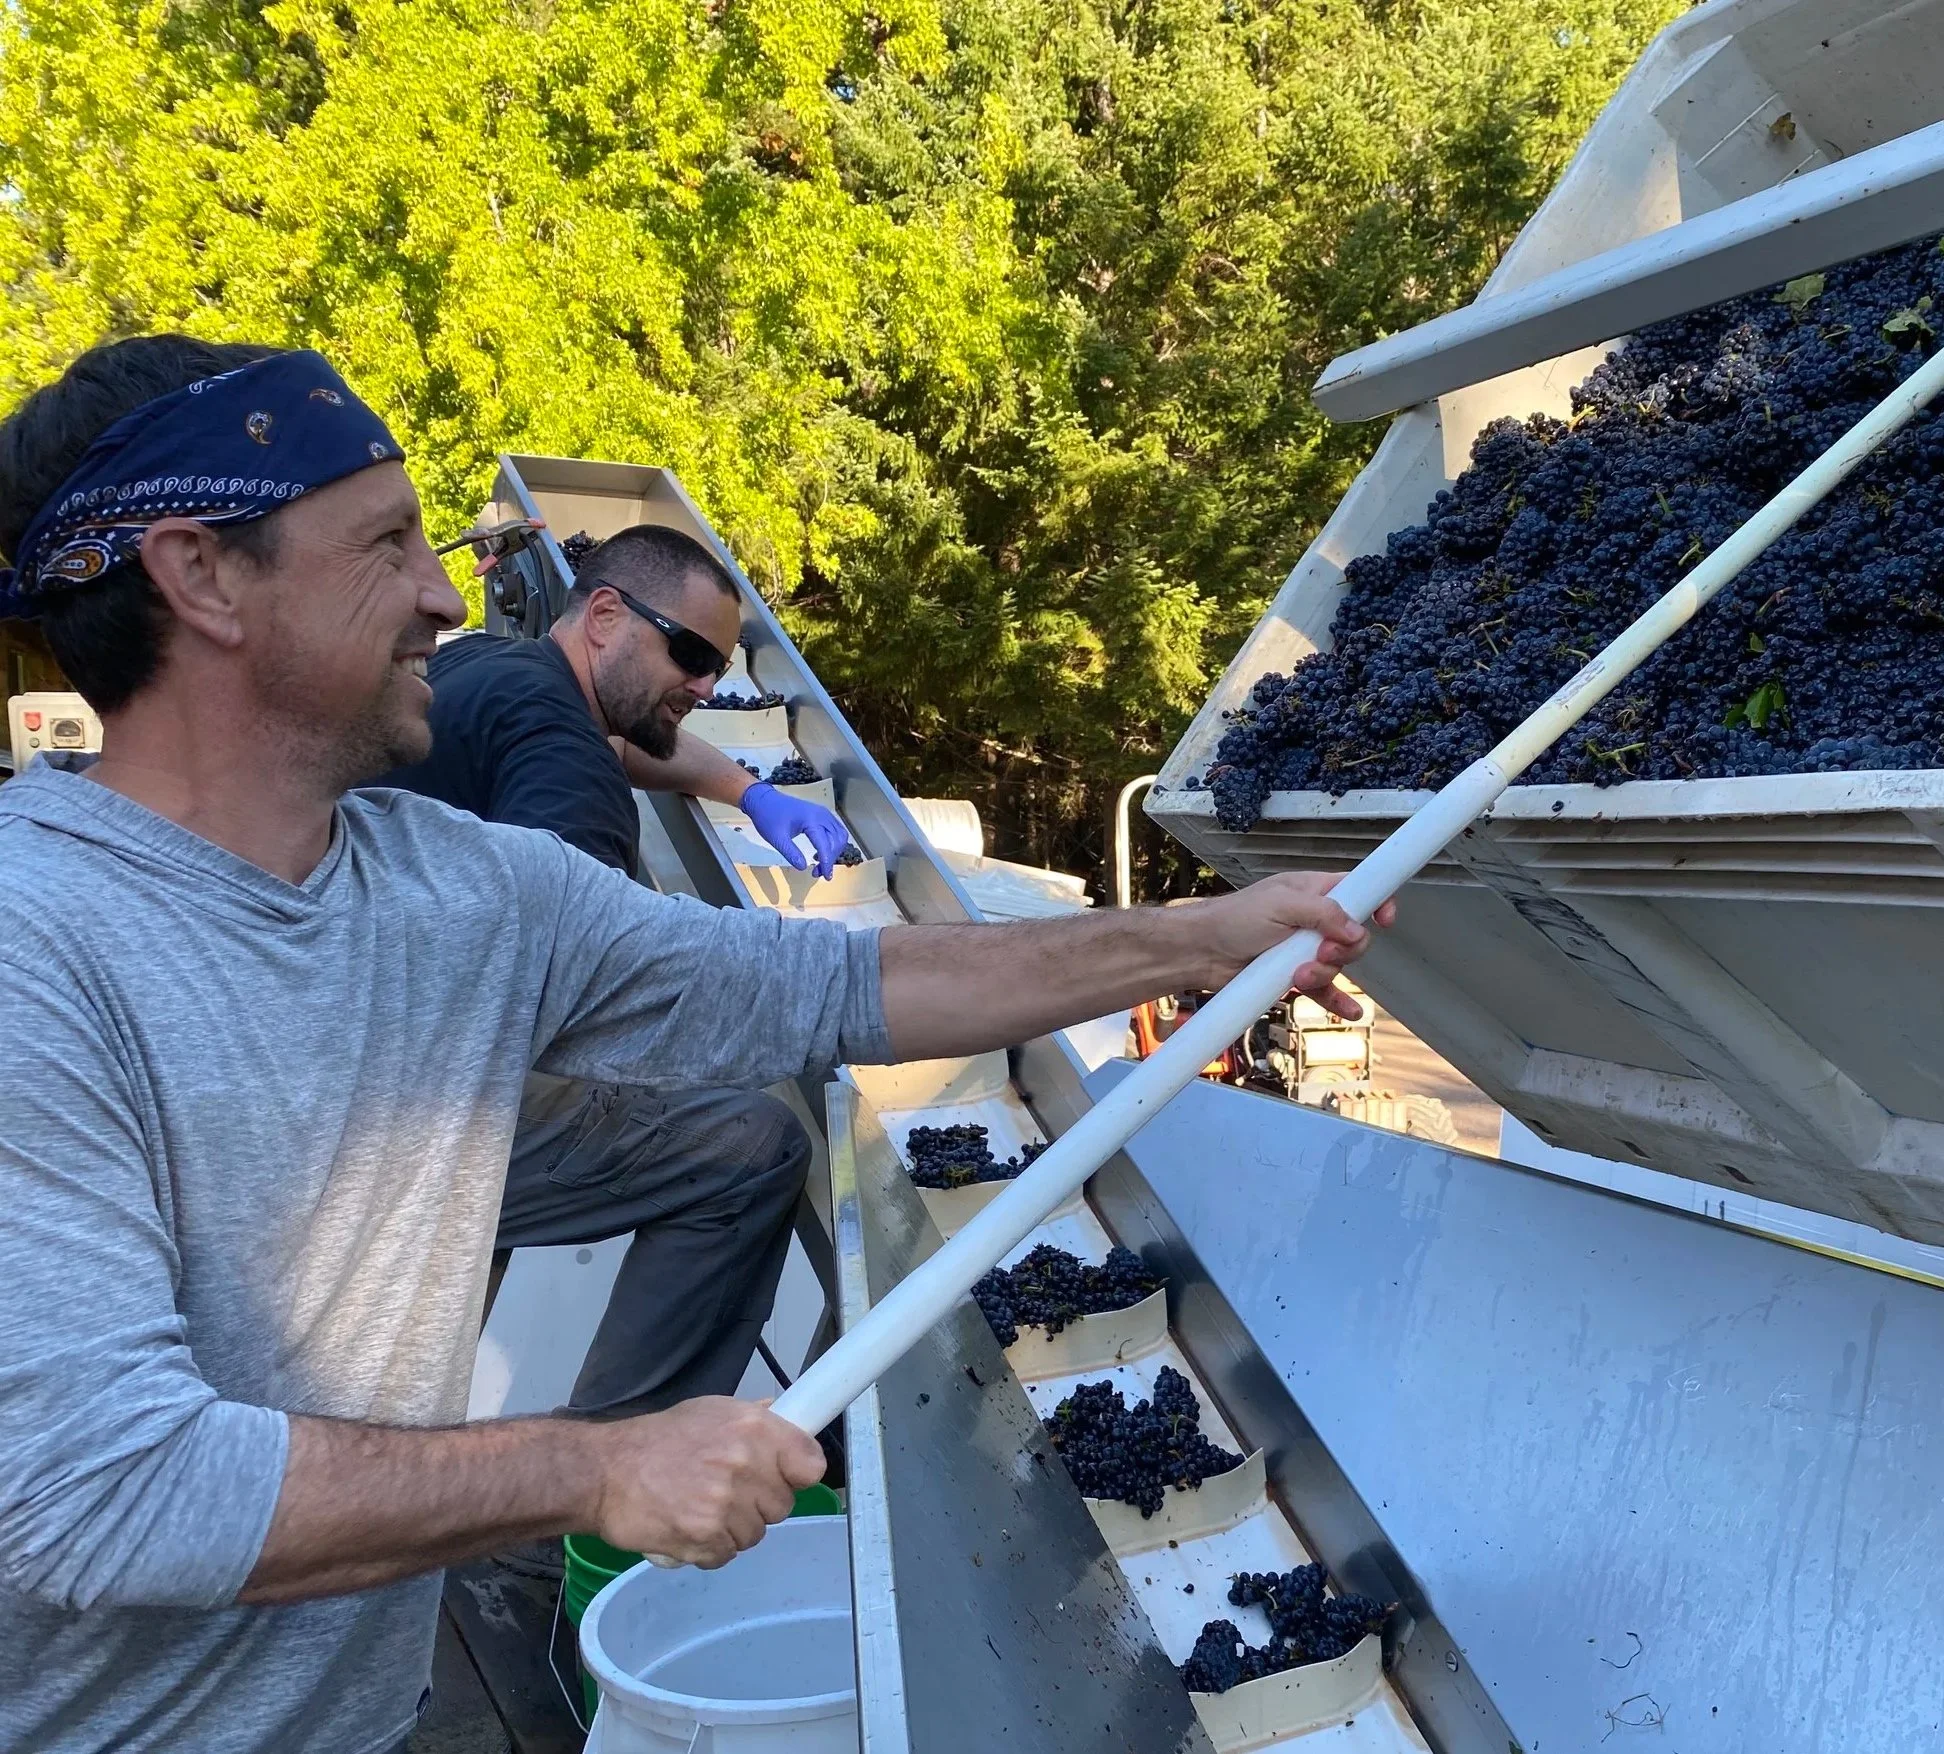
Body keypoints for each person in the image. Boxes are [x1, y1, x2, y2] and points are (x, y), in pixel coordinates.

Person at [0, 334, 1390, 1754]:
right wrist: (593, 1466)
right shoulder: (33, 944)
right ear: (202, 576)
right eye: (384, 545)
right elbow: (98, 1492)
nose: (437, 592)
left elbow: (844, 985)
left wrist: (1203, 936)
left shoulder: (462, 889)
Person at [376, 524, 850, 1421]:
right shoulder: (565, 763)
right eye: (690, 654)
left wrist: (750, 790)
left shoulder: (495, 667)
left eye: (719, 664)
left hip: (348, 1052)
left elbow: (626, 744)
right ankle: (617, 1475)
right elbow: (593, 984)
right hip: (410, 1116)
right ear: (604, 614)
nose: (708, 685)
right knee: (752, 1146)